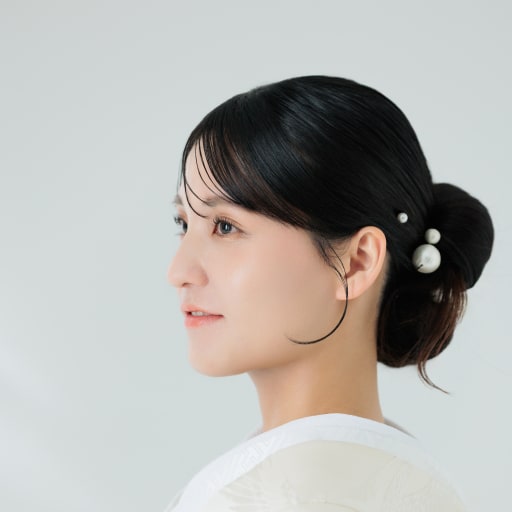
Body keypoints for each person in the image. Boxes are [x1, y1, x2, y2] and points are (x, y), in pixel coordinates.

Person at [165, 75, 493, 511]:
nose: (178, 272)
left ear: (356, 262)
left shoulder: (273, 497)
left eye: (226, 226)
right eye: (183, 224)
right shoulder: (417, 486)